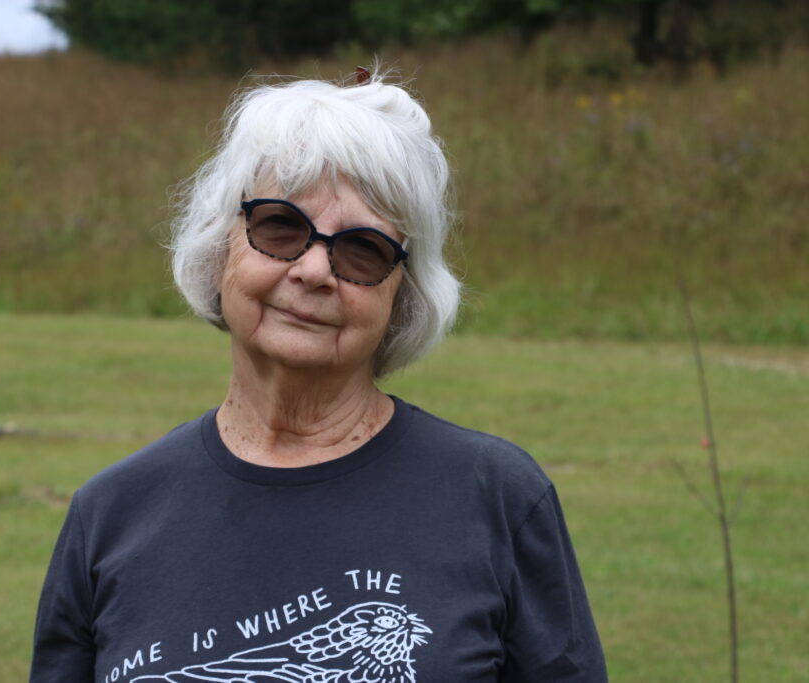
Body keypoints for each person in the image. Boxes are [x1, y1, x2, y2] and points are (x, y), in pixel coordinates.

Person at [30, 69, 607, 683]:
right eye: (279, 226)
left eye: (363, 250)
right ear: (219, 243)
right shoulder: (111, 513)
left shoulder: (496, 496)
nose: (313, 270)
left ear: (401, 297)